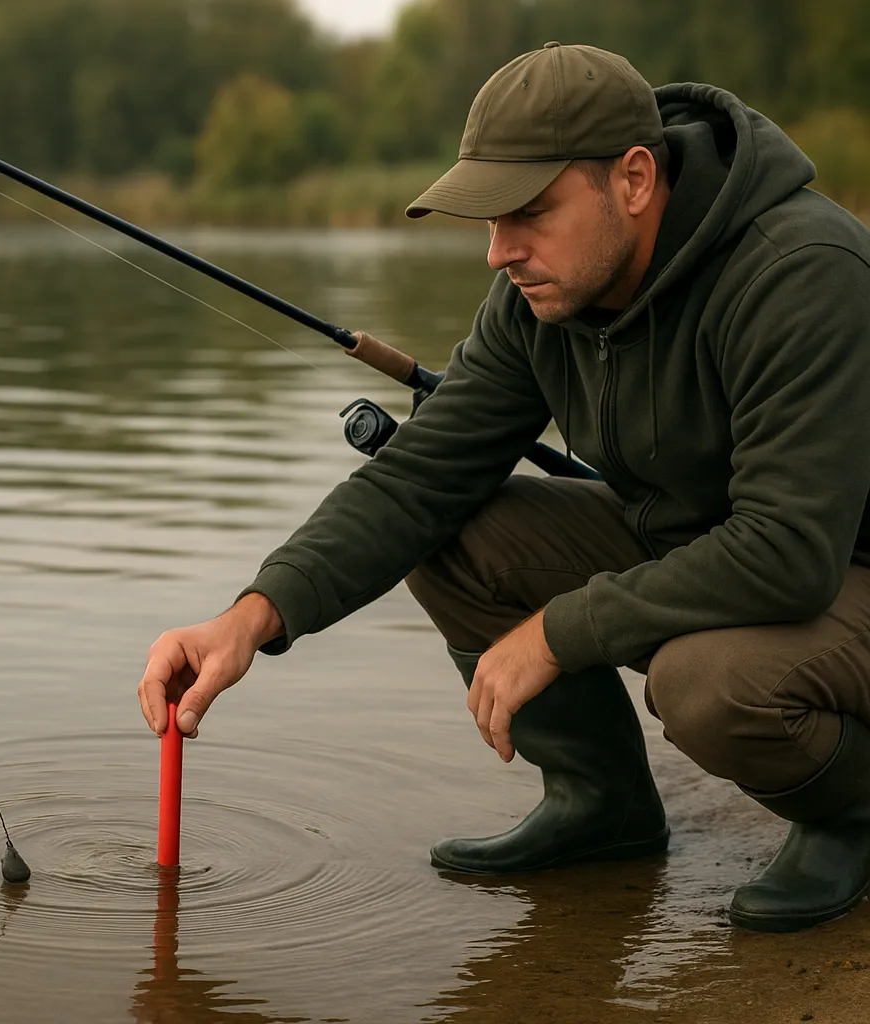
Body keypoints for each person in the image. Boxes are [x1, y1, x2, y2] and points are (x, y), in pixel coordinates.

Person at [137, 42, 870, 933]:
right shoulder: (543, 295)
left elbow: (788, 554)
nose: (498, 252)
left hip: (835, 570)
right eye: (487, 219)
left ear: (634, 179)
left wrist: (558, 634)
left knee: (707, 684)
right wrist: (251, 616)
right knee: (455, 535)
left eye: (527, 212)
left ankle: (849, 817)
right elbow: (419, 478)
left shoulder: (800, 271)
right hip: (704, 545)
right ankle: (603, 809)